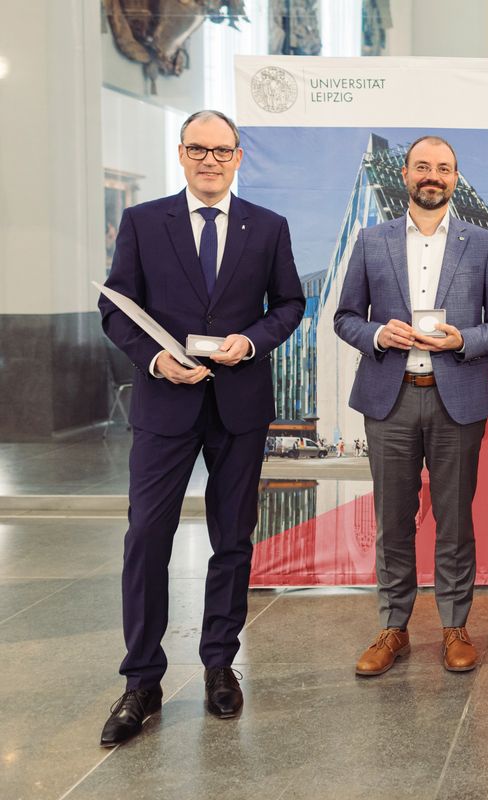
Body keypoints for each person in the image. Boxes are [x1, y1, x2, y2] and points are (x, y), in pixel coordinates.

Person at [97, 109, 304, 746]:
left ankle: (219, 664)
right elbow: (115, 306)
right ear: (181, 154)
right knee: (146, 541)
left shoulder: (267, 227)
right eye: (198, 149)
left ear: (238, 157)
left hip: (238, 404)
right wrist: (154, 358)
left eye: (222, 150)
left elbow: (291, 303)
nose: (210, 160)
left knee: (232, 541)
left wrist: (252, 341)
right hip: (166, 405)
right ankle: (141, 680)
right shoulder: (142, 222)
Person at [334, 135, 488, 676]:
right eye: (422, 167)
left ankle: (454, 627)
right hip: (388, 402)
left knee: (455, 520)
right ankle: (393, 627)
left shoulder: (482, 244)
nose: (431, 176)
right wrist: (377, 335)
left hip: (457, 400)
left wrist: (462, 340)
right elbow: (345, 316)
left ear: (455, 179)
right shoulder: (371, 240)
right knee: (393, 522)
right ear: (406, 175)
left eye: (442, 168)